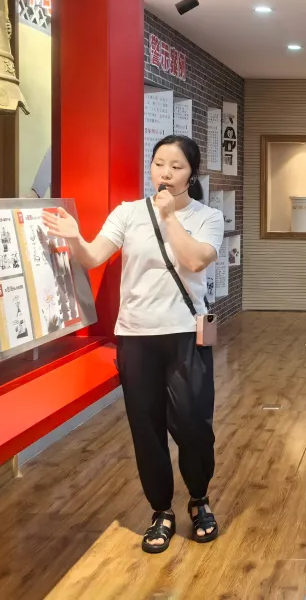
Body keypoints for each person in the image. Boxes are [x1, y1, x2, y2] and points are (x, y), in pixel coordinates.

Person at [43, 135, 223, 552]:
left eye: (176, 166)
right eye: (159, 164)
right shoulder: (127, 213)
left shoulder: (207, 216)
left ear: (191, 173)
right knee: (146, 429)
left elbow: (195, 260)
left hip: (186, 333)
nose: (165, 173)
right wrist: (74, 237)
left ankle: (199, 499)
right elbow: (93, 257)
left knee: (194, 425)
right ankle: (161, 511)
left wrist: (169, 217)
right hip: (136, 337)